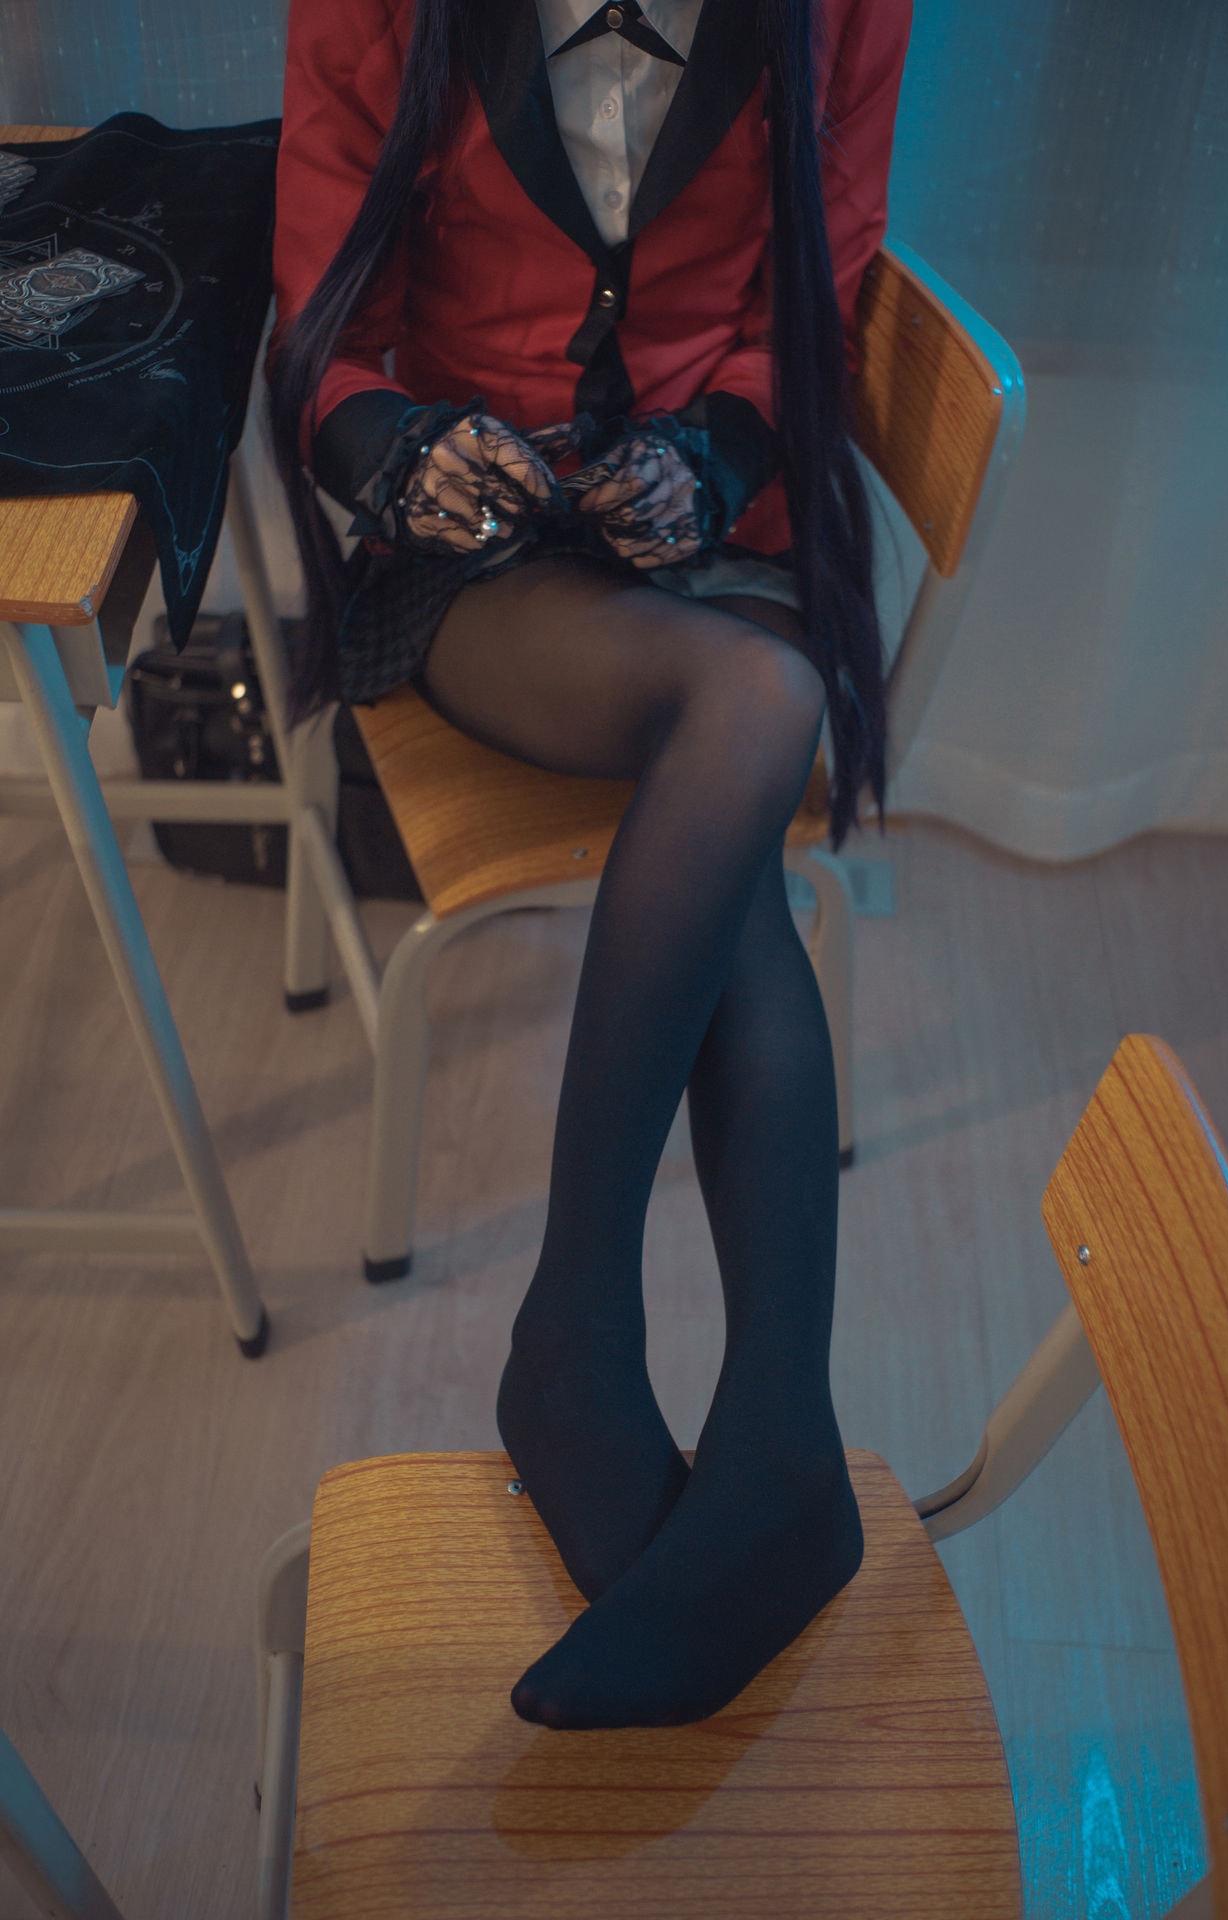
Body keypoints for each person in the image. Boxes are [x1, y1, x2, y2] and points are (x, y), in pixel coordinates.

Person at [268, 0, 913, 1729]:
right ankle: (696, 1396)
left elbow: (820, 290)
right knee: (755, 708)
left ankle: (674, 1388)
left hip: (721, 540)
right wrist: (393, 447)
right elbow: (321, 324)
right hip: (486, 568)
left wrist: (717, 452)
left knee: (744, 749)